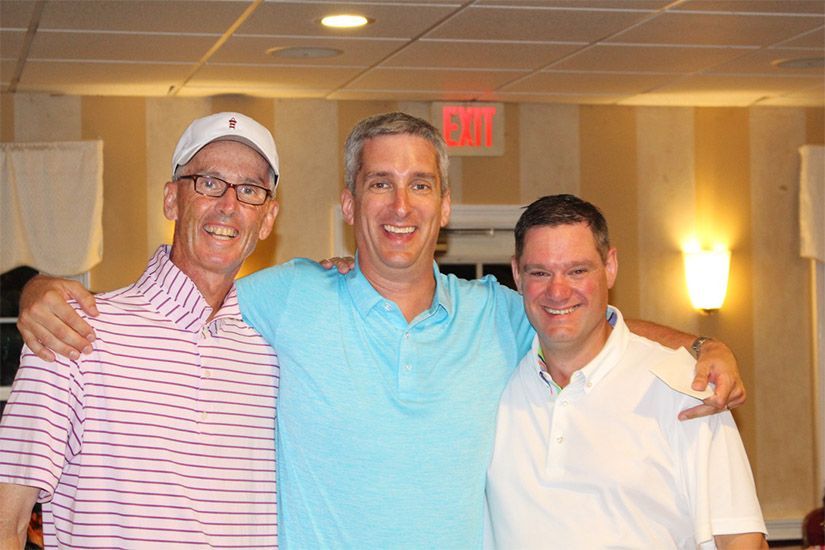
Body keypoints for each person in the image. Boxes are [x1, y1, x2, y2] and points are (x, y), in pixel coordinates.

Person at [17, 112, 745, 548]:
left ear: (445, 206)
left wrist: (702, 345)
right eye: (379, 184)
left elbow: (579, 318)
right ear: (348, 204)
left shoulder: (495, 313)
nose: (400, 206)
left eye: (419, 184)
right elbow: (181, 296)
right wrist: (37, 291)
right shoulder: (285, 298)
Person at [0, 112, 281, 549]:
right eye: (208, 182)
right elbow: (8, 520)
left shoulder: (276, 351)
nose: (228, 204)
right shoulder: (73, 329)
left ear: (267, 219)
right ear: (172, 200)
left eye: (249, 190)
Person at [485, 194, 766, 549]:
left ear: (610, 267)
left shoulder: (684, 387)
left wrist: (707, 345)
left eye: (577, 271)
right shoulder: (494, 384)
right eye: (540, 272)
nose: (558, 291)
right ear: (517, 274)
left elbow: (740, 539)